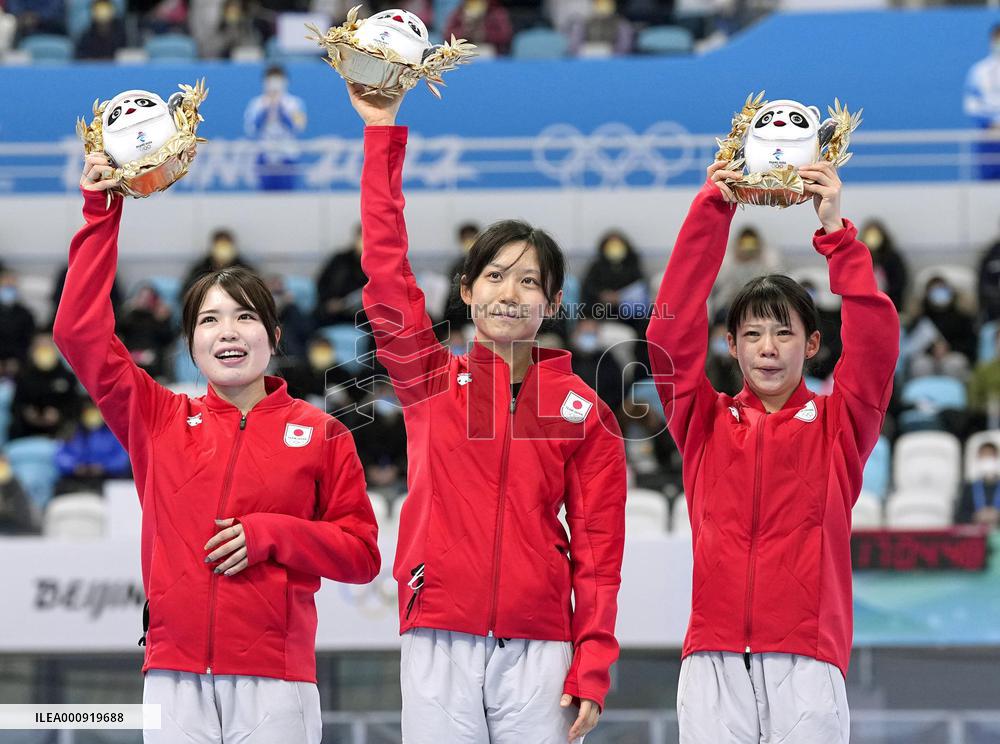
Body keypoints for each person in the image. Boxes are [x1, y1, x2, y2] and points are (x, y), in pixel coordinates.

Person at [54, 153, 381, 744]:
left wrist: (271, 534)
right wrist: (100, 211)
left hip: (276, 681)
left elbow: (361, 556)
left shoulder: (322, 433)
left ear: (274, 336)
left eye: (244, 316)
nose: (228, 331)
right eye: (209, 320)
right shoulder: (157, 418)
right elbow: (78, 332)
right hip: (173, 677)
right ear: (191, 345)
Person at [348, 83, 626, 744]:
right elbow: (385, 269)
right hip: (438, 630)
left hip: (541, 643)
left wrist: (591, 661)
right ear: (468, 291)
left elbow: (599, 552)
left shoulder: (584, 412)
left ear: (551, 302)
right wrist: (382, 133)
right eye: (496, 276)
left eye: (530, 281)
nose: (511, 293)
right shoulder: (429, 378)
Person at [647, 159, 899, 744]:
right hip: (712, 658)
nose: (768, 348)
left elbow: (876, 343)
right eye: (753, 334)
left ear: (812, 344)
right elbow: (667, 334)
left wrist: (836, 233)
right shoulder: (703, 421)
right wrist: (714, 208)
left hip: (808, 657)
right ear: (730, 345)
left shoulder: (840, 425)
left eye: (784, 333)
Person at [243, 65, 308, 191]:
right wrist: (266, 109)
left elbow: (298, 127)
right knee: (266, 195)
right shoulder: (257, 103)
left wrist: (281, 109)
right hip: (265, 153)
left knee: (288, 194)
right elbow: (251, 129)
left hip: (287, 153)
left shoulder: (295, 103)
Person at [55, 401, 131, 494]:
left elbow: (121, 460)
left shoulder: (114, 433)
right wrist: (75, 467)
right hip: (75, 481)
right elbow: (61, 457)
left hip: (107, 480)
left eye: (96, 408)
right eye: (89, 409)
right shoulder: (71, 432)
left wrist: (103, 468)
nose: (93, 413)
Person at [963, 23, 1000, 180]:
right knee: (989, 181)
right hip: (989, 135)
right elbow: (971, 104)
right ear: (991, 41)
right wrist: (991, 123)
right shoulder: (979, 70)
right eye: (997, 39)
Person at [314, 224, 367, 329]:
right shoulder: (340, 260)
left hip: (359, 316)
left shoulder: (375, 266)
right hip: (331, 311)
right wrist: (330, 302)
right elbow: (322, 283)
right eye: (362, 238)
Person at [181, 228, 255, 296]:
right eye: (220, 246)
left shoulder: (245, 270)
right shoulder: (199, 270)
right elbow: (187, 292)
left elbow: (255, 291)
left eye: (226, 246)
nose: (223, 250)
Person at [0, 265, 37, 379]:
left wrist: (18, 360)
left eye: (12, 284)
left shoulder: (26, 314)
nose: (9, 286)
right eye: (6, 283)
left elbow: (29, 340)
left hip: (19, 367)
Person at [443, 0, 514, 56]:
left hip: (489, 49)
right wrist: (465, 32)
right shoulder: (459, 12)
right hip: (464, 48)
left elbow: (505, 36)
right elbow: (447, 35)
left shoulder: (496, 11)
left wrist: (484, 33)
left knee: (486, 52)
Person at [956, 441, 1000, 528]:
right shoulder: (969, 487)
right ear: (978, 459)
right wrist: (975, 517)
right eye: (984, 456)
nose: (987, 459)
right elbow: (959, 517)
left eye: (990, 455)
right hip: (975, 532)